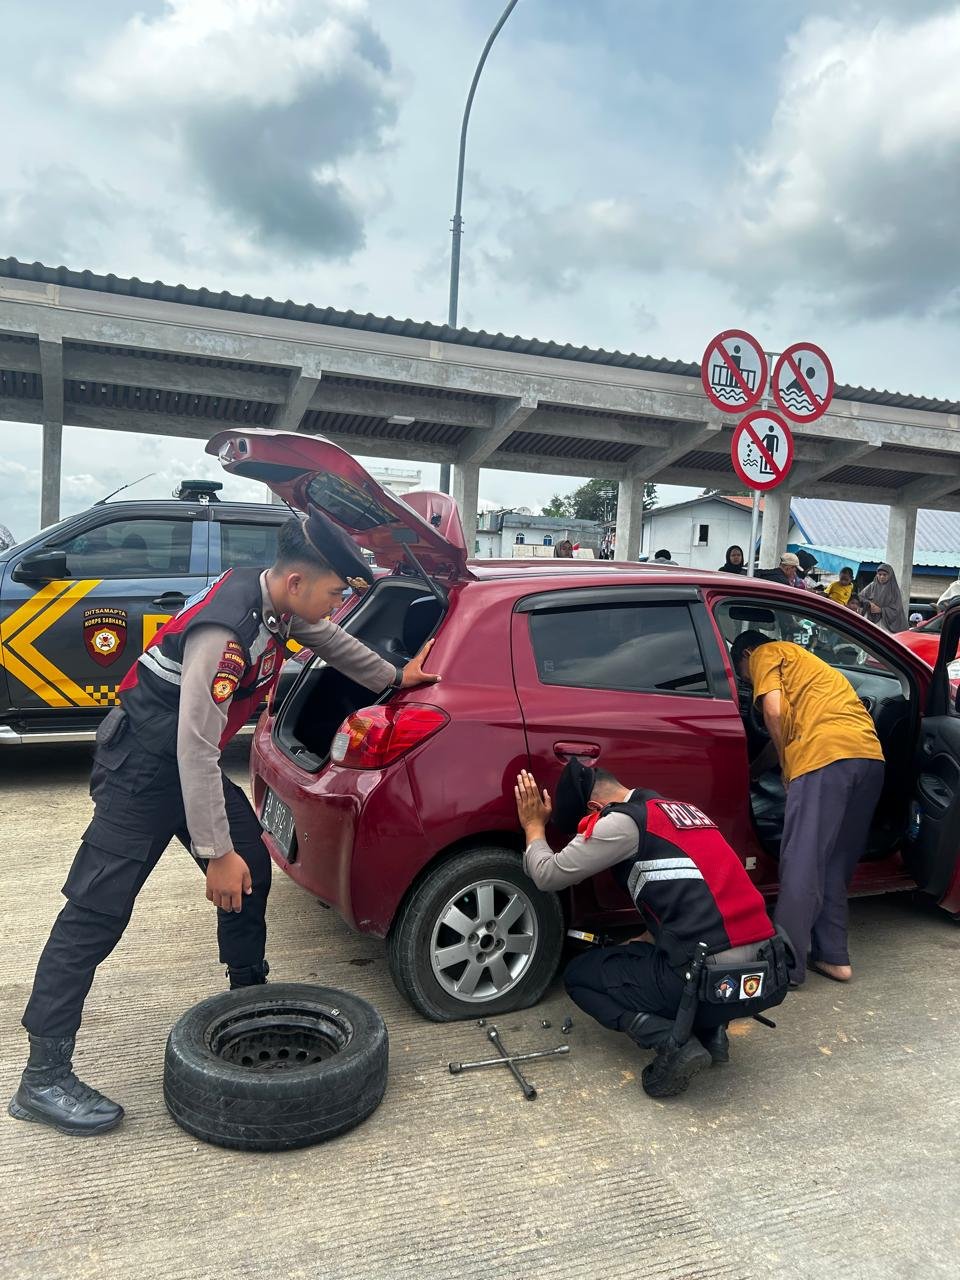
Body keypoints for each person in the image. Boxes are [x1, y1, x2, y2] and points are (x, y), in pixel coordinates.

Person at [9, 508, 439, 1136]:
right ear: (295, 582)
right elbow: (195, 748)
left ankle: (247, 992)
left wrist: (394, 676)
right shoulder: (226, 634)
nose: (337, 603)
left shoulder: (276, 603)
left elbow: (328, 639)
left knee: (252, 865)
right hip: (144, 768)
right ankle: (42, 1076)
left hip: (186, 764)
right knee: (96, 913)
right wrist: (213, 853)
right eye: (334, 591)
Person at [514, 762, 788, 1098]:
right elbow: (695, 893)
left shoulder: (620, 823)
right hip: (767, 975)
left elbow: (548, 875)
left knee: (580, 976)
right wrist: (647, 939)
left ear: (594, 809)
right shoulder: (683, 811)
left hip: (709, 980)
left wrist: (533, 827)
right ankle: (712, 1033)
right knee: (656, 956)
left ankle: (673, 1042)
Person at [730, 631, 885, 988]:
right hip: (869, 759)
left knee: (802, 860)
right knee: (833, 863)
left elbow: (773, 710)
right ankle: (833, 958)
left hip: (823, 760)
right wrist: (756, 771)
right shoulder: (813, 669)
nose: (746, 680)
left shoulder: (768, 652)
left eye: (743, 674)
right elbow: (782, 731)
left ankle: (786, 965)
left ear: (748, 653)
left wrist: (788, 768)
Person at [858, 564, 907, 632]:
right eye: (879, 574)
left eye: (884, 575)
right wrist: (869, 603)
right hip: (871, 621)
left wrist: (881, 610)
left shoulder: (894, 590)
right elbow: (860, 597)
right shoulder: (872, 586)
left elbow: (897, 608)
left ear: (890, 576)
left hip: (887, 625)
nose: (882, 577)